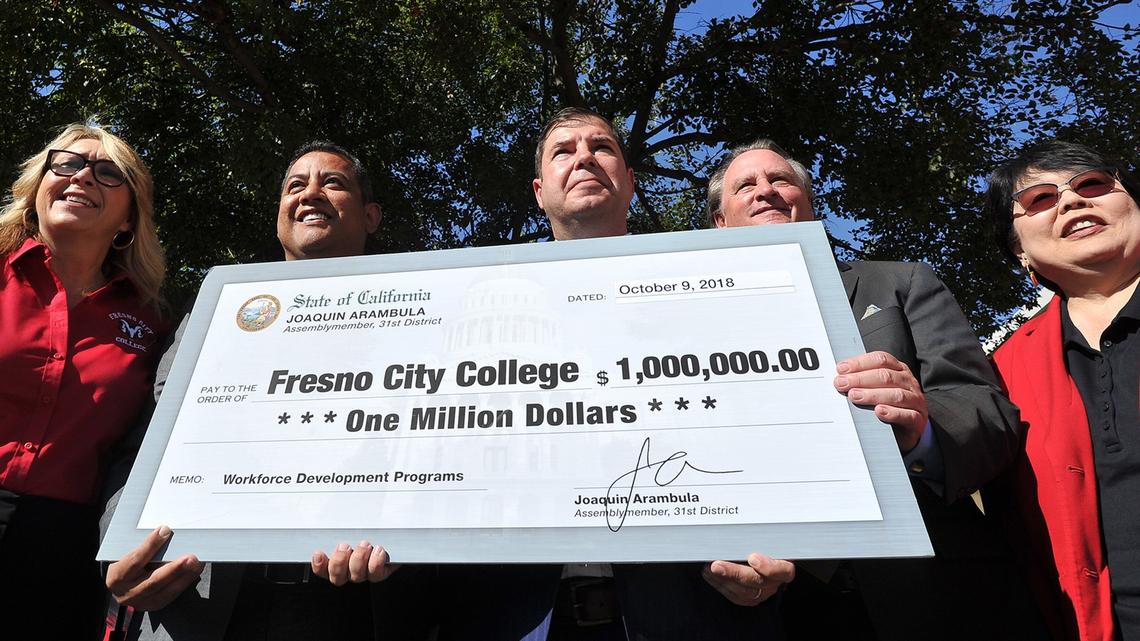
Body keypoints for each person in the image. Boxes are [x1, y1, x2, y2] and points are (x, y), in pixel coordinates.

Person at [360, 108, 794, 641]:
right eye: (563, 151)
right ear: (539, 192)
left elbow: (764, 423)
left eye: (601, 147)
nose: (584, 157)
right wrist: (381, 527)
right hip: (506, 617)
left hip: (691, 612)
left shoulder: (708, 288)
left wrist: (782, 544)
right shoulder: (460, 302)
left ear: (630, 181)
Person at [710, 139, 1047, 640]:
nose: (766, 191)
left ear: (808, 203)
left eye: (780, 179)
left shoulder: (901, 283)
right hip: (781, 605)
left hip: (941, 591)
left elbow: (985, 409)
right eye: (746, 185)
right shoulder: (692, 327)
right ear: (720, 222)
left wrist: (924, 431)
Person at [102, 141, 385, 640]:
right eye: (295, 186)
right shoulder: (218, 312)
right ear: (279, 216)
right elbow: (148, 442)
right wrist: (120, 546)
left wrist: (404, 535)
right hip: (197, 598)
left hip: (349, 600)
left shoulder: (422, 317)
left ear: (370, 216)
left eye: (333, 183)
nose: (310, 194)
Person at [0, 123, 166, 639]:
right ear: (37, 189)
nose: (82, 177)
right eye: (67, 164)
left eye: (108, 173)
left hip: (65, 550)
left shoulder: (154, 321)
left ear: (129, 218)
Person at [986, 140, 1140, 641]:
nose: (1072, 201)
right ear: (1020, 252)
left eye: (1092, 184)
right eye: (1040, 199)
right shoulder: (1001, 373)